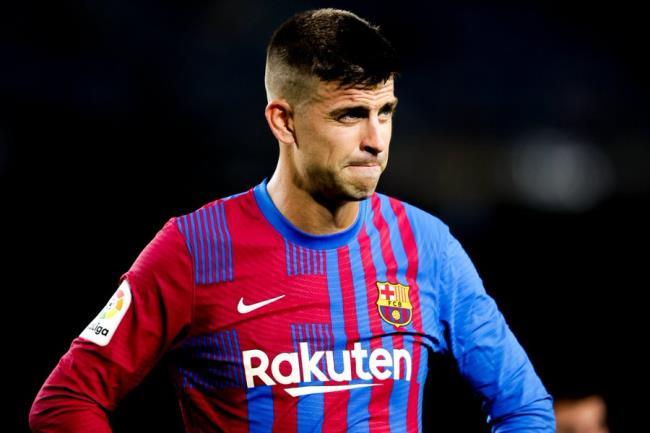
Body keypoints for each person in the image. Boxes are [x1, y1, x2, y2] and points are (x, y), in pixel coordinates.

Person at [29, 8, 555, 433]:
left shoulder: (427, 245)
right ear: (283, 121)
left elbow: (525, 408)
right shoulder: (194, 249)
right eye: (350, 115)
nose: (376, 140)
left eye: (386, 112)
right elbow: (66, 401)